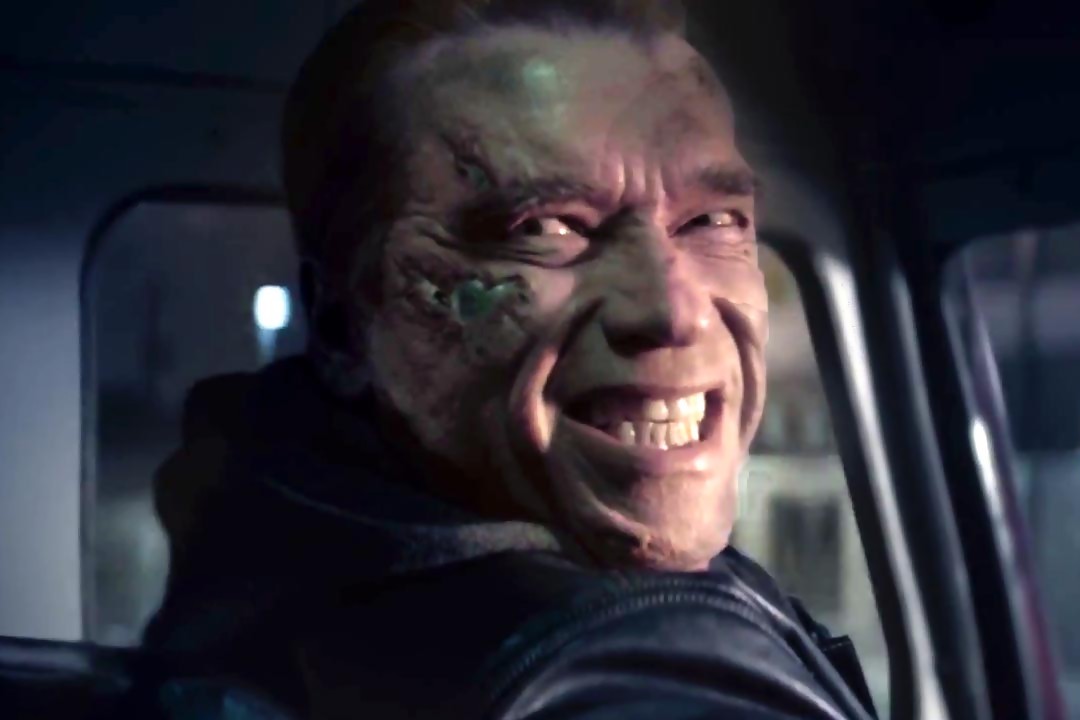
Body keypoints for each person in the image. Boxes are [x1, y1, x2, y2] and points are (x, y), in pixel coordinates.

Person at [139, 1, 878, 718]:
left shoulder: (261, 553)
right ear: (344, 326)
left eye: (712, 220)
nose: (672, 311)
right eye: (546, 227)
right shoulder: (628, 686)